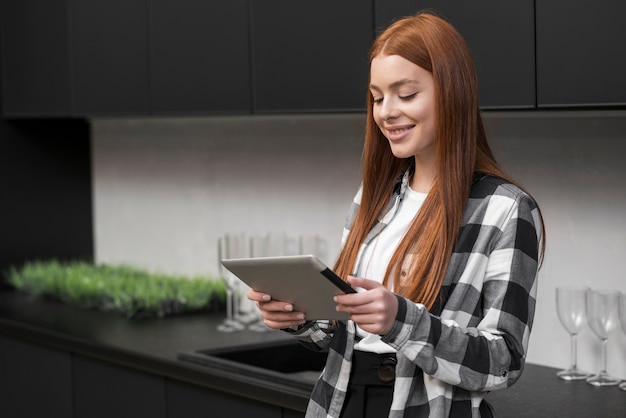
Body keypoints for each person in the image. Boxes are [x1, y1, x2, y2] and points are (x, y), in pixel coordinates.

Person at [248, 11, 544, 418]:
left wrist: (401, 319)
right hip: (343, 403)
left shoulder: (506, 210)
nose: (386, 112)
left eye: (406, 95)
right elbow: (343, 334)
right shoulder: (373, 197)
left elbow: (503, 361)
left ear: (453, 92)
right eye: (377, 97)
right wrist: (298, 317)